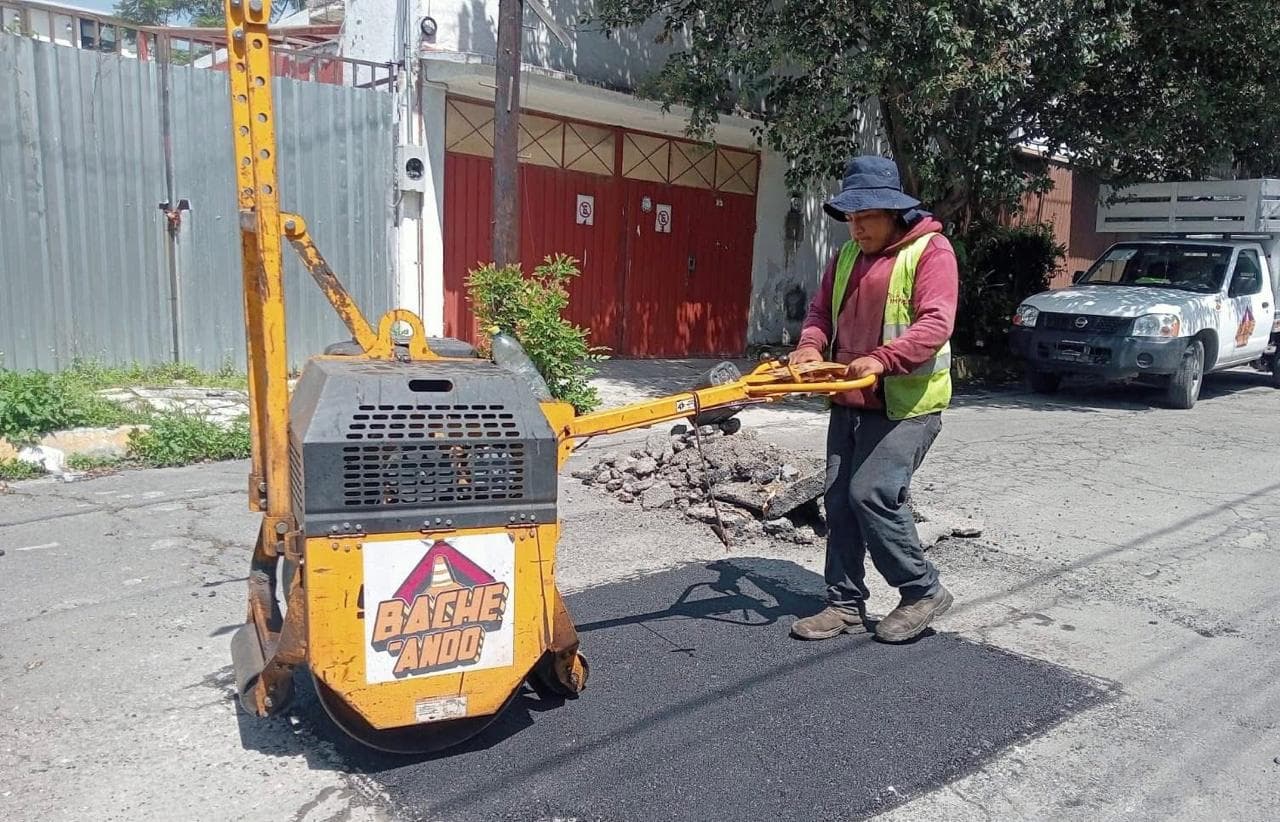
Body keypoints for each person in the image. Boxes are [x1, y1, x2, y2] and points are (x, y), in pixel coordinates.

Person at [789, 155, 958, 644]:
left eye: (866, 217)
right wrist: (809, 345)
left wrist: (883, 359)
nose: (856, 228)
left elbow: (936, 323)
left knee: (872, 494)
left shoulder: (931, 250)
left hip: (907, 403)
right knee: (839, 500)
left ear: (894, 212)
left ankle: (922, 590)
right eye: (851, 218)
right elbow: (820, 312)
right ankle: (844, 604)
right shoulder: (847, 255)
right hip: (849, 398)